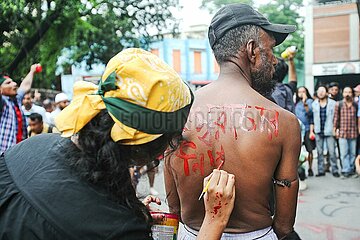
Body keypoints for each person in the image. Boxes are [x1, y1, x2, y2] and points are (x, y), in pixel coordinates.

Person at [0, 48, 235, 239]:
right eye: (172, 138)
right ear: (145, 145)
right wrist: (215, 221)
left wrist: (128, 209)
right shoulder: (117, 228)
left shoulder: (29, 148)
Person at [165, 4, 301, 239]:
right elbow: (284, 226)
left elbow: (174, 210)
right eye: (270, 50)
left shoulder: (176, 114)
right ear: (251, 51)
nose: (275, 60)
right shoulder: (285, 123)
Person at [0, 64, 39, 153]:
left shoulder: (16, 99)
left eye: (13, 81)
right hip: (4, 154)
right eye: (8, 83)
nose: (14, 84)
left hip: (19, 151)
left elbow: (25, 86)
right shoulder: (2, 102)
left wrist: (32, 71)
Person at [309, 86, 339, 177]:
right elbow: (312, 119)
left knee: (332, 151)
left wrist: (336, 128)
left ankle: (335, 170)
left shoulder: (333, 103)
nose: (321, 93)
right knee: (319, 152)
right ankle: (320, 170)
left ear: (326, 92)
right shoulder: (314, 104)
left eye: (323, 91)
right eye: (319, 91)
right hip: (318, 130)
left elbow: (336, 118)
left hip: (329, 130)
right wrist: (312, 131)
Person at [333, 86, 358, 178]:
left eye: (349, 92)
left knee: (352, 153)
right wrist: (334, 130)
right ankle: (345, 170)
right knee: (343, 153)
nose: (347, 94)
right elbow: (335, 119)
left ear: (352, 94)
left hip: (353, 132)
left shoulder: (356, 105)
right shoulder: (338, 104)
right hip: (342, 133)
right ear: (342, 93)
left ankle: (351, 170)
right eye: (345, 92)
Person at [295, 86, 315, 177]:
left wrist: (305, 103)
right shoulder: (296, 103)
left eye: (303, 91)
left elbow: (310, 114)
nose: (302, 93)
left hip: (307, 129)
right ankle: (300, 169)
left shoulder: (310, 102)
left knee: (309, 149)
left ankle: (310, 168)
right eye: (300, 92)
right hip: (297, 129)